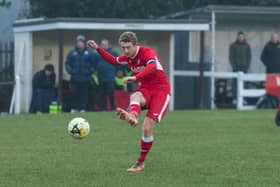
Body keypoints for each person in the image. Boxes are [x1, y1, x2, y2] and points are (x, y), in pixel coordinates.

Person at [87, 31, 171, 172]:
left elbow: (152, 66)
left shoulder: (146, 52)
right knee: (134, 96)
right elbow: (114, 60)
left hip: (161, 91)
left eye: (128, 47)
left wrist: (136, 77)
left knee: (146, 128)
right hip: (146, 89)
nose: (125, 51)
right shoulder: (128, 57)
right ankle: (132, 115)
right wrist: (98, 49)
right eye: (123, 47)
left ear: (135, 44)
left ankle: (140, 163)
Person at [65, 34, 98, 113]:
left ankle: (83, 108)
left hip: (85, 78)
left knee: (84, 94)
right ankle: (74, 108)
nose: (79, 43)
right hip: (75, 78)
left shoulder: (89, 53)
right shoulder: (72, 53)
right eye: (78, 42)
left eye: (81, 42)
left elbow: (94, 64)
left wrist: (89, 72)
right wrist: (71, 71)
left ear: (84, 43)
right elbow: (67, 63)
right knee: (74, 94)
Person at [262, 33, 280, 125]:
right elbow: (263, 58)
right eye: (273, 37)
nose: (274, 39)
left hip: (279, 73)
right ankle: (271, 106)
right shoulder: (267, 46)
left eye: (276, 37)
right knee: (272, 91)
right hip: (271, 73)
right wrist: (270, 67)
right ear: (271, 38)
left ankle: (278, 108)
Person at [229, 31, 251, 105]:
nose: (241, 38)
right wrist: (234, 66)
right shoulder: (233, 45)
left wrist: (247, 66)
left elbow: (249, 57)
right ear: (237, 37)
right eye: (240, 36)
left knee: (244, 84)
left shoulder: (247, 46)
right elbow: (231, 57)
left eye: (242, 36)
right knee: (235, 84)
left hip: (244, 68)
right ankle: (235, 98)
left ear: (244, 37)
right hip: (236, 68)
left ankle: (243, 99)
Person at [96, 39, 118, 111]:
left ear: (108, 45)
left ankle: (112, 108)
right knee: (102, 94)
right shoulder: (98, 54)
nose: (104, 46)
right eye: (102, 44)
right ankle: (103, 108)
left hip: (110, 77)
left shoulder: (113, 53)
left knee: (111, 94)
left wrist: (115, 72)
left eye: (105, 44)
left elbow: (118, 62)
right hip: (101, 77)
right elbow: (94, 64)